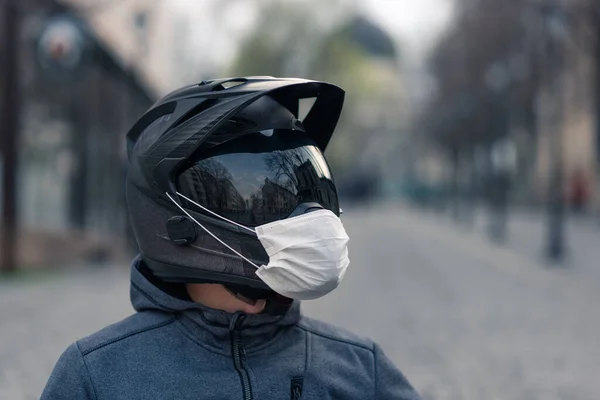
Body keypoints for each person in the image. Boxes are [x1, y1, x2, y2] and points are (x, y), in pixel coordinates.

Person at [41, 77, 421, 399]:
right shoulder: (97, 378)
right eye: (262, 195)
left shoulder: (360, 370)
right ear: (174, 220)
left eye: (309, 187)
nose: (307, 217)